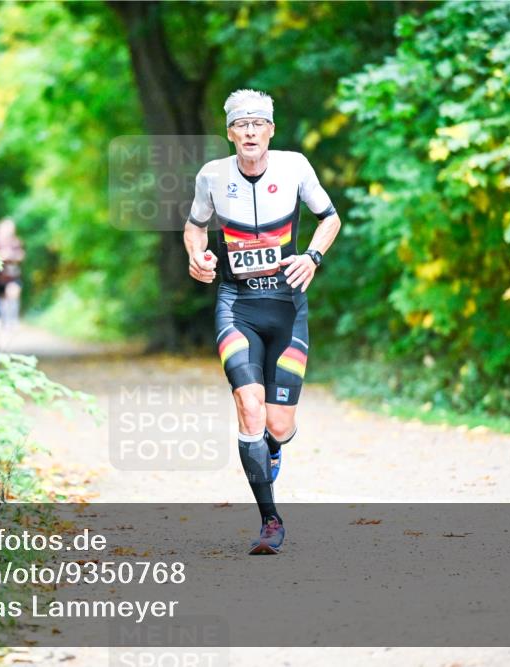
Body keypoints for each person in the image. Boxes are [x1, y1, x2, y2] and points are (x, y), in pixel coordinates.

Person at [185, 89, 342, 555]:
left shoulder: (295, 167)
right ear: (230, 132)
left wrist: (312, 256)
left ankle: (273, 448)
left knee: (279, 426)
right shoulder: (212, 176)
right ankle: (270, 521)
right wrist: (196, 254)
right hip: (237, 304)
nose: (250, 131)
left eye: (258, 124)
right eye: (241, 124)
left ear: (271, 130)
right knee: (248, 406)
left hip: (288, 305)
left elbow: (329, 218)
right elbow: (195, 226)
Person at [0, 218, 25, 331]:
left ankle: (12, 320)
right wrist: (1, 255)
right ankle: (3, 319)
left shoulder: (16, 242)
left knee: (13, 293)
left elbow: (21, 255)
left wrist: (11, 256)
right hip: (0, 276)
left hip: (13, 275)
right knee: (1, 299)